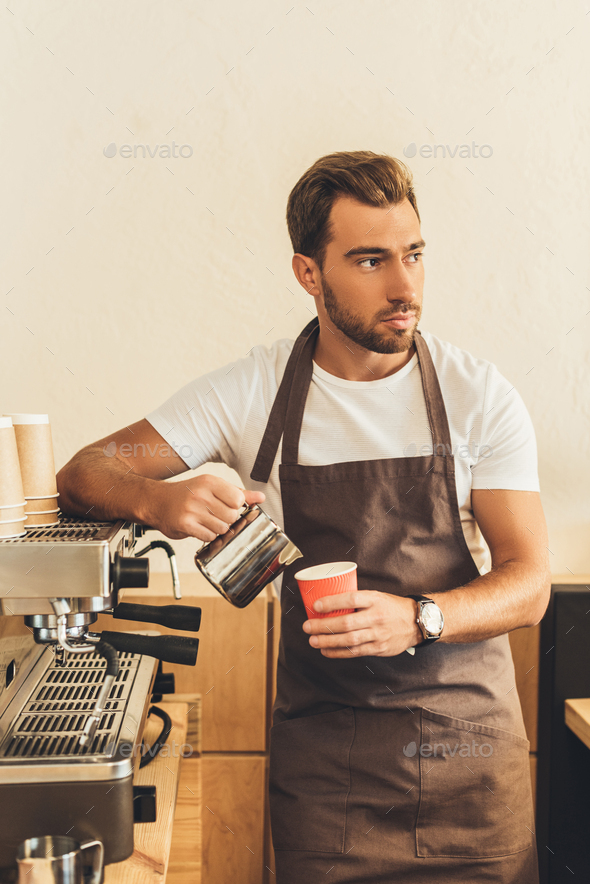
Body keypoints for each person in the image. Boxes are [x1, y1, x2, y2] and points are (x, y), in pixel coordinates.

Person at [57, 150, 550, 883]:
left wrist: (420, 618)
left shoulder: (479, 396)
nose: (404, 284)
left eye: (413, 254)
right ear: (309, 274)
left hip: (470, 779)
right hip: (330, 787)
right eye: (370, 260)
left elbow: (531, 583)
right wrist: (159, 500)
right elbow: (85, 470)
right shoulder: (252, 391)